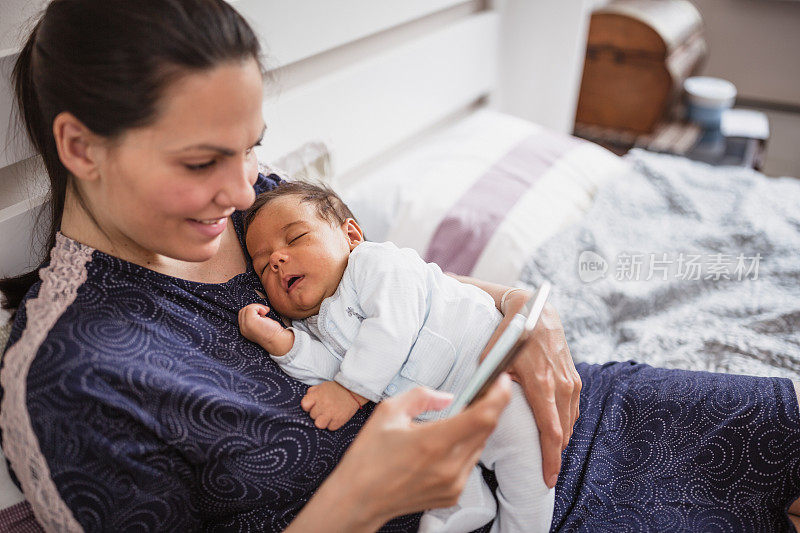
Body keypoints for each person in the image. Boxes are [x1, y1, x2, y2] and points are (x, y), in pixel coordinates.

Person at [0, 1, 798, 531]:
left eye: (252, 148)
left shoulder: (252, 208)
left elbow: (385, 274)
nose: (244, 190)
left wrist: (519, 308)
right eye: (205, 159)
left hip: (538, 421)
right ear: (80, 147)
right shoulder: (74, 379)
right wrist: (353, 504)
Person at [237, 181, 554, 533]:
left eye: (295, 238)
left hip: (493, 379)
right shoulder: (313, 324)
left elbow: (393, 327)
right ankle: (466, 500)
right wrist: (286, 344)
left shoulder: (374, 263)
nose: (278, 261)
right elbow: (330, 374)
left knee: (527, 479)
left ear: (352, 235)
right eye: (264, 267)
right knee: (428, 469)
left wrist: (350, 391)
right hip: (436, 412)